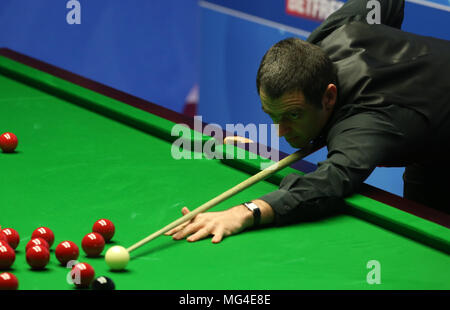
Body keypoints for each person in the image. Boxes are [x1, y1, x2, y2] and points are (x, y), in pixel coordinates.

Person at [165, 0, 450, 243]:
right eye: (273, 116)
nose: (281, 131)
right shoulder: (329, 36)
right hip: (431, 136)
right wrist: (390, 52)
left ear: (329, 97)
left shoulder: (365, 125)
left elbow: (331, 181)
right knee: (424, 216)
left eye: (294, 116)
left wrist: (244, 212)